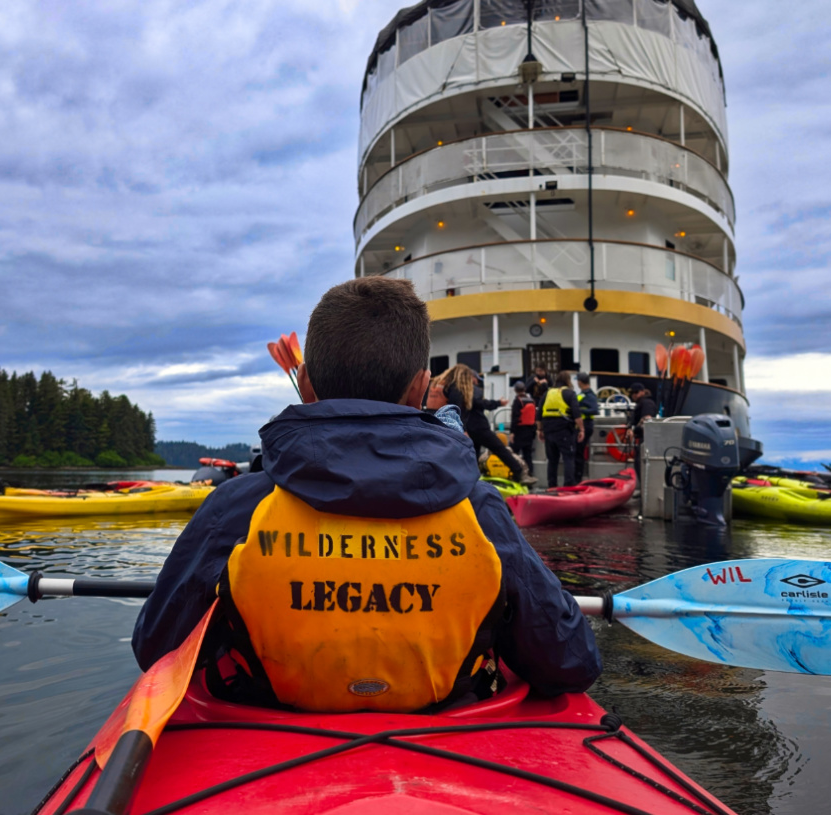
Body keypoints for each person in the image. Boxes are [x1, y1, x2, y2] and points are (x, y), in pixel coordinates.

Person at [132, 277, 601, 712]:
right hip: (446, 738)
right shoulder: (480, 511)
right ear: (421, 387)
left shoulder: (237, 507)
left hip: (267, 728)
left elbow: (155, 646)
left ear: (308, 384)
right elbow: (571, 662)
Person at [443, 365, 533, 485]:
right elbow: (481, 403)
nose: (476, 383)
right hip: (479, 427)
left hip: (469, 429)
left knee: (473, 455)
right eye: (475, 380)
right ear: (470, 377)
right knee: (499, 448)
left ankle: (471, 482)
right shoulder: (468, 389)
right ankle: (520, 474)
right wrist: (499, 403)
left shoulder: (452, 389)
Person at [539, 370, 582, 488]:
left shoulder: (547, 393)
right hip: (564, 431)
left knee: (552, 460)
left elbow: (539, 414)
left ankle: (552, 486)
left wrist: (539, 430)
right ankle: (568, 485)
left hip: (548, 431)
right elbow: (577, 414)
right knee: (568, 457)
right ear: (568, 381)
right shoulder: (570, 393)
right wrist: (582, 430)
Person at [573, 373, 599, 482]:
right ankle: (576, 477)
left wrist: (579, 411)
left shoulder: (589, 395)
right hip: (580, 426)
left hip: (585, 425)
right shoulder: (583, 394)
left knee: (578, 452)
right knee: (576, 452)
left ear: (580, 382)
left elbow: (594, 410)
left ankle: (577, 479)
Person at [509, 381, 537, 477]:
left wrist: (512, 432)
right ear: (524, 389)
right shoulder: (531, 400)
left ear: (515, 390)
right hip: (529, 431)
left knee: (514, 454)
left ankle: (516, 474)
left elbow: (515, 417)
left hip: (519, 431)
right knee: (528, 455)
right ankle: (530, 474)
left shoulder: (518, 401)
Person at [628, 382, 659, 458]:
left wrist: (633, 429)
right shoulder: (640, 403)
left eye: (636, 392)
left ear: (642, 392)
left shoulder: (647, 402)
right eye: (632, 393)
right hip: (640, 438)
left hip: (645, 439)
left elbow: (647, 419)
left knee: (641, 463)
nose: (634, 395)